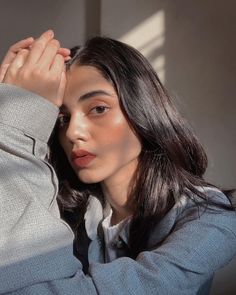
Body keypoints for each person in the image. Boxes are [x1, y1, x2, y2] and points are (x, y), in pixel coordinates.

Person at [0, 30, 235, 295]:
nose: (72, 132)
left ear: (142, 109)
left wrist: (16, 129)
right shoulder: (67, 211)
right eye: (62, 118)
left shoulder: (210, 218)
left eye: (98, 108)